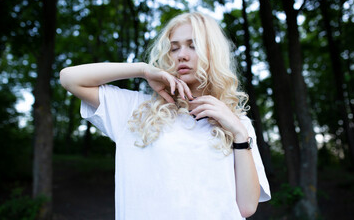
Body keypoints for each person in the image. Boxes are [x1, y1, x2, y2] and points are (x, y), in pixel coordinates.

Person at [60, 12, 271, 220]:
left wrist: (239, 134)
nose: (181, 55)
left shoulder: (237, 123)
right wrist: (143, 70)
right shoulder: (136, 109)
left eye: (193, 45)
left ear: (212, 53)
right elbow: (70, 78)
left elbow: (246, 207)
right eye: (174, 47)